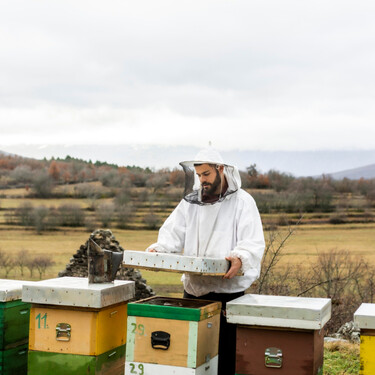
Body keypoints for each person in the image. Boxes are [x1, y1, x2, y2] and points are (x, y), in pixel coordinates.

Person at [147, 147, 265, 375]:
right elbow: (172, 233)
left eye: (206, 174)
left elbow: (252, 242)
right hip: (193, 293)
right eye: (199, 175)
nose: (202, 180)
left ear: (221, 169)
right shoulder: (191, 202)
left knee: (226, 360)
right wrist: (159, 249)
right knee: (192, 359)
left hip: (228, 296)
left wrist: (240, 257)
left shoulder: (243, 202)